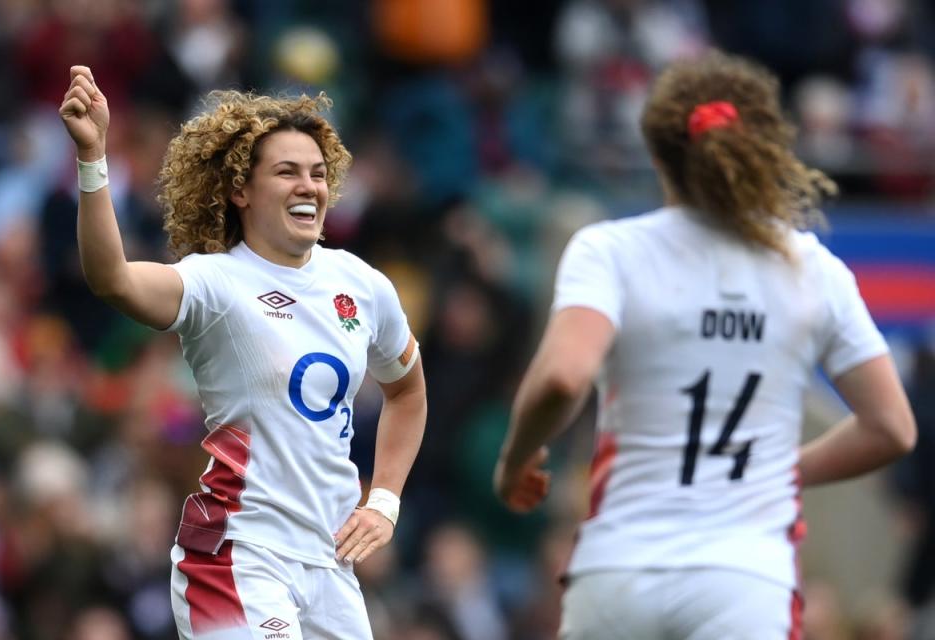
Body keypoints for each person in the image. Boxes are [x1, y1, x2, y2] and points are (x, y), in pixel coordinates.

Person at [493, 51, 917, 639]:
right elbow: (892, 427)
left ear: (659, 153)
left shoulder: (610, 250)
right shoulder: (811, 269)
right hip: (747, 580)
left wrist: (516, 460)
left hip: (620, 569)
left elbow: (563, 377)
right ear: (767, 144)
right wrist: (783, 471)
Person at [59, 65, 427, 639]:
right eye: (286, 172)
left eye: (317, 173)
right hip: (237, 555)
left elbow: (407, 390)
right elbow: (113, 280)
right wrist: (93, 159)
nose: (309, 186)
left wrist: (384, 500)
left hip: (330, 565)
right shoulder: (216, 283)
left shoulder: (362, 285)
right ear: (240, 190)